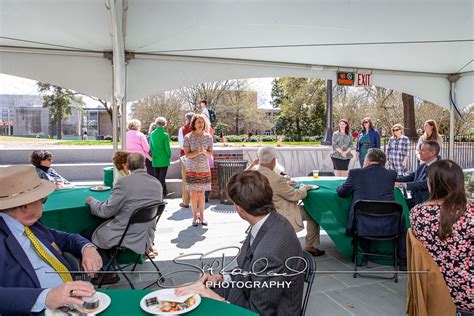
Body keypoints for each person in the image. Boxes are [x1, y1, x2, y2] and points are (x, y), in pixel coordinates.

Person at [175, 170, 305, 315]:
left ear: (239, 209)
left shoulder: (268, 253)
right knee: (186, 293)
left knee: (193, 304)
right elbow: (249, 268)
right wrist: (224, 277)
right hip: (248, 290)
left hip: (268, 310)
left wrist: (214, 297)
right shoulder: (271, 220)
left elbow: (257, 313)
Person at [0, 165, 102, 315]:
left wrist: (87, 248)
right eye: (43, 199)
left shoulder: (32, 224)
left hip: (71, 304)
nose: (44, 203)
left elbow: (66, 238)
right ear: (24, 206)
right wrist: (46, 297)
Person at [409, 160, 473, 312]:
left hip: (432, 289)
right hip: (467, 292)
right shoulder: (470, 212)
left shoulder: (417, 213)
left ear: (431, 184)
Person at [336, 148, 406, 267]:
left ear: (367, 161)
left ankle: (361, 257)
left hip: (362, 223)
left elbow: (342, 192)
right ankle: (404, 260)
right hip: (389, 224)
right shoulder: (391, 174)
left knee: (363, 213)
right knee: (402, 219)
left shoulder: (355, 173)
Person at [85, 153, 163, 259]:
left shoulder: (123, 183)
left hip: (126, 234)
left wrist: (92, 201)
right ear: (144, 165)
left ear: (127, 166)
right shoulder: (157, 183)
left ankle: (106, 269)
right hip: (147, 235)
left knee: (85, 235)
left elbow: (106, 212)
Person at [254, 145, 325, 256]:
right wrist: (305, 187)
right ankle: (310, 246)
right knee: (314, 212)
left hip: (263, 212)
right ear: (273, 161)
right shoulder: (276, 179)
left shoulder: (254, 173)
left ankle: (309, 246)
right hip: (280, 212)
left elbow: (271, 186)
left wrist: (285, 183)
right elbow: (295, 196)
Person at [183, 114, 213, 227]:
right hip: (192, 169)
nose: (201, 124)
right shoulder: (188, 137)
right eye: (198, 122)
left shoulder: (208, 137)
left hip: (204, 169)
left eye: (202, 122)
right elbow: (187, 155)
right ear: (193, 124)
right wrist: (198, 152)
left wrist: (204, 152)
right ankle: (194, 217)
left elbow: (210, 154)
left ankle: (202, 217)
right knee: (194, 194)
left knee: (201, 194)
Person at [396, 140, 440, 209]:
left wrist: (402, 185)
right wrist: (391, 178)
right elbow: (411, 176)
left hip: (428, 205)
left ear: (432, 153)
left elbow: (425, 183)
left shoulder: (440, 167)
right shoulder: (423, 165)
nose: (419, 152)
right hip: (416, 201)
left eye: (422, 150)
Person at [150, 117, 172, 197]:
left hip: (155, 158)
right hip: (163, 158)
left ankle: (164, 192)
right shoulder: (165, 135)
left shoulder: (152, 134)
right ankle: (161, 194)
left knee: (157, 177)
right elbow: (167, 148)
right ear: (164, 124)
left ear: (156, 123)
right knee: (162, 178)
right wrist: (169, 155)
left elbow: (151, 147)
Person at [178, 112, 194, 208]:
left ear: (187, 119)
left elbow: (181, 144)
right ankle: (195, 201)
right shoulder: (200, 128)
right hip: (197, 156)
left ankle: (186, 201)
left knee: (185, 179)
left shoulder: (182, 129)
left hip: (185, 155)